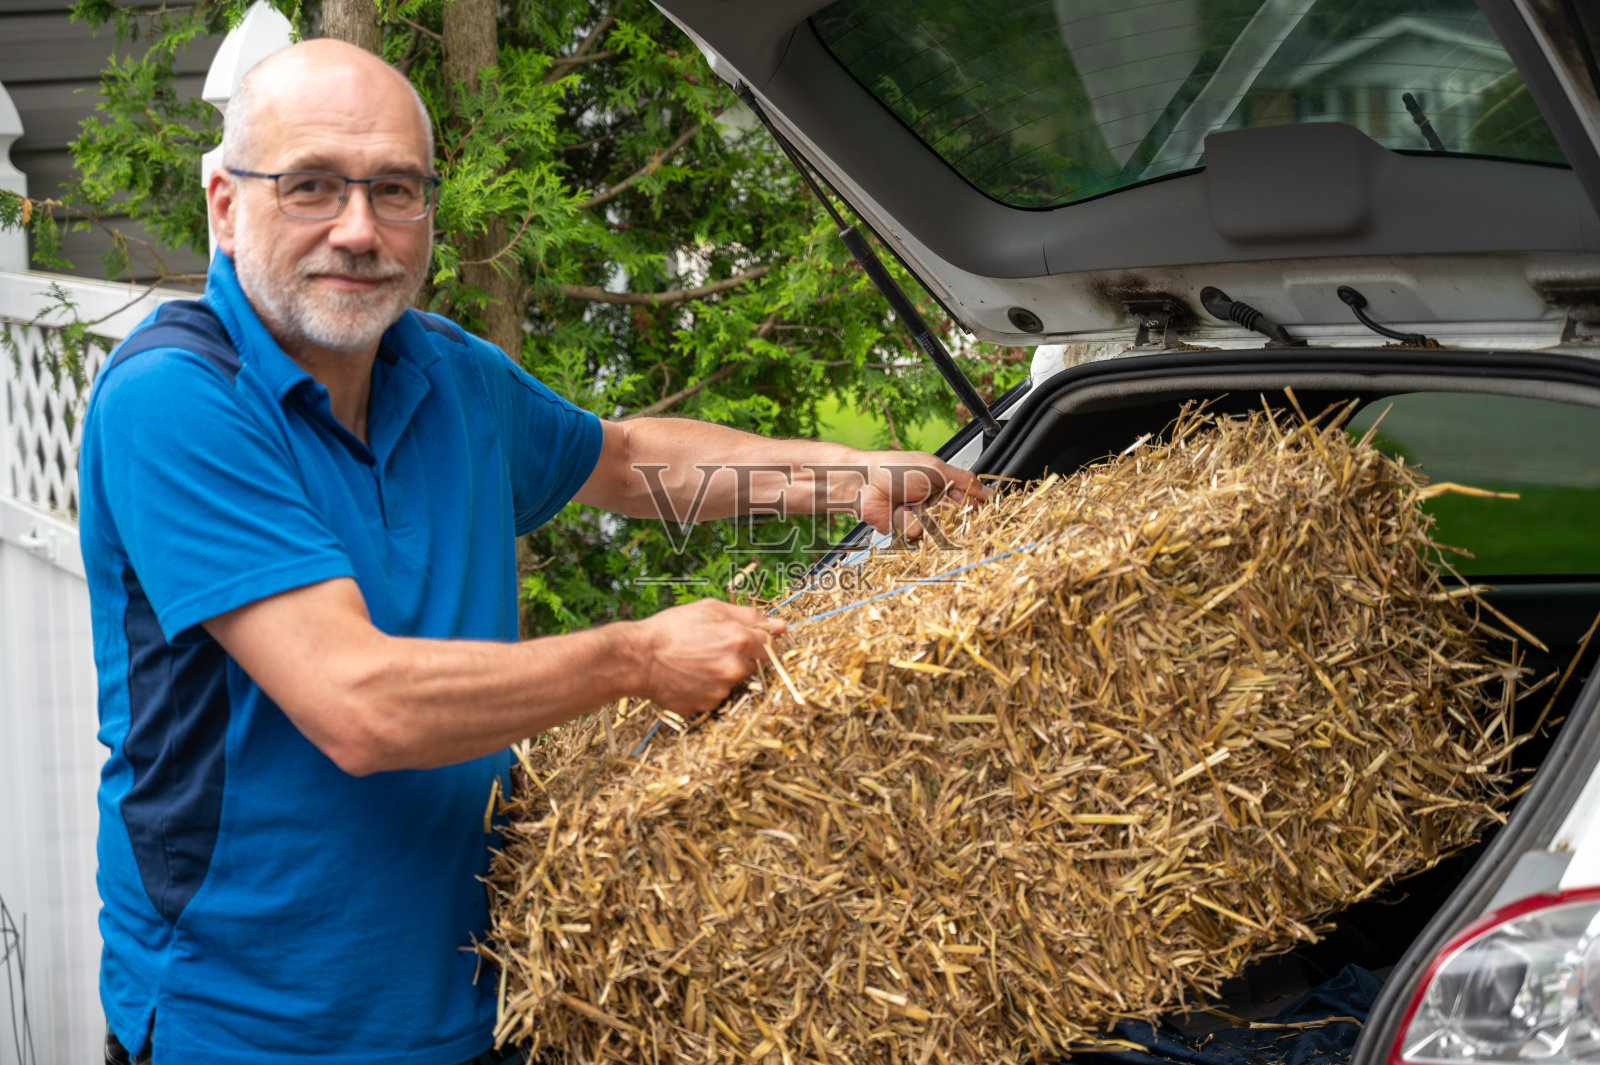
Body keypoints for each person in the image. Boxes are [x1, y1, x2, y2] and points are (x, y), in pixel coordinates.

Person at [78, 37, 986, 1065]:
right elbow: (359, 704)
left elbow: (628, 461)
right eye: (312, 186)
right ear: (225, 204)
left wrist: (844, 477)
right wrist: (636, 658)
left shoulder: (448, 373)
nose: (359, 230)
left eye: (395, 190)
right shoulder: (176, 398)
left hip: (480, 1000)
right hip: (251, 1030)